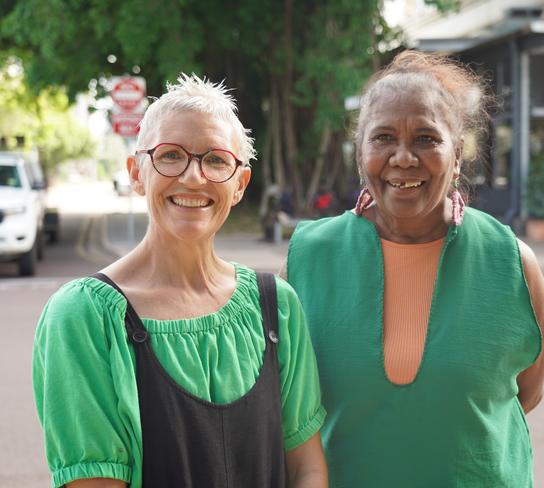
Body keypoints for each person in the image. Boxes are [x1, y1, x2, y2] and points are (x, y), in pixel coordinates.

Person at [33, 74, 327, 488]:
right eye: (170, 155)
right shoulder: (84, 318)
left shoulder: (275, 305)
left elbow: (307, 469)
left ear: (240, 184)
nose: (193, 177)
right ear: (137, 173)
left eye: (216, 160)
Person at [285, 51, 544, 487]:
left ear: (457, 155)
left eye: (426, 138)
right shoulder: (307, 258)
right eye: (383, 137)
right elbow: (288, 408)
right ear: (360, 154)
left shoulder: (512, 263)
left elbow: (527, 393)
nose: (403, 157)